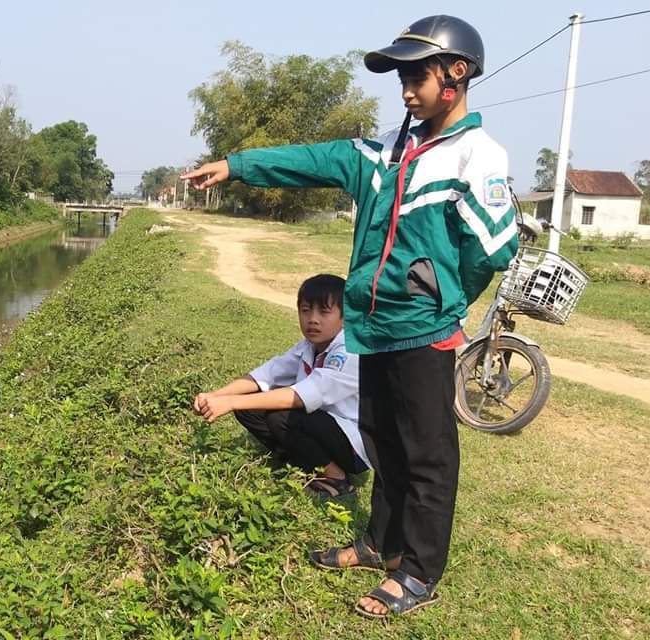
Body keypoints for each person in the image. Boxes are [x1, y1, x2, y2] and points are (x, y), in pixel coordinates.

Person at [182, 15, 519, 619]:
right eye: (402, 77)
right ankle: (380, 544)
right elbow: (316, 159)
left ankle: (418, 570)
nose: (406, 88)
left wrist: (439, 298)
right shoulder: (384, 151)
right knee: (383, 442)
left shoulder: (476, 155)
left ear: (457, 74)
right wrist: (236, 166)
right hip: (372, 328)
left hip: (424, 333)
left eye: (417, 75)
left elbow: (493, 250)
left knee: (427, 457)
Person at [192, 274, 367, 498]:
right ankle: (301, 459)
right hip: (321, 424)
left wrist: (230, 401)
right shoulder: (309, 345)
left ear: (345, 317)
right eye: (305, 310)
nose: (313, 319)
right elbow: (267, 374)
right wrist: (216, 395)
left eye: (324, 312)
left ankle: (336, 479)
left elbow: (299, 396)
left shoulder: (349, 352)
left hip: (355, 444)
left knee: (283, 416)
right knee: (249, 407)